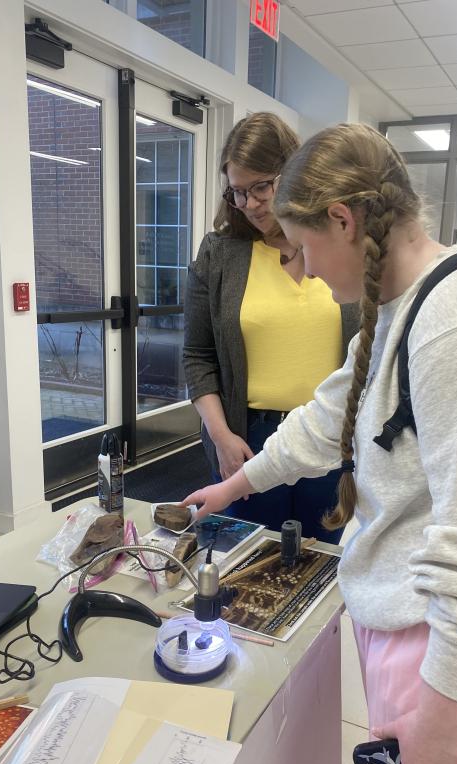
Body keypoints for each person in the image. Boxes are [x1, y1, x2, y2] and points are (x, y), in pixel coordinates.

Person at [183, 123, 457, 764]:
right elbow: (330, 416)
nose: (297, 272)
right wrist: (236, 483)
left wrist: (446, 723)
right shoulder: (401, 309)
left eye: (298, 249)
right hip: (421, 626)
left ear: (343, 219)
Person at [183, 112, 360, 543]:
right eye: (237, 192)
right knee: (243, 564)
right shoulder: (220, 254)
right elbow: (198, 356)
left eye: (261, 186)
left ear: (294, 171)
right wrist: (221, 436)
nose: (249, 204)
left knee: (320, 563)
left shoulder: (335, 245)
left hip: (328, 434)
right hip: (248, 436)